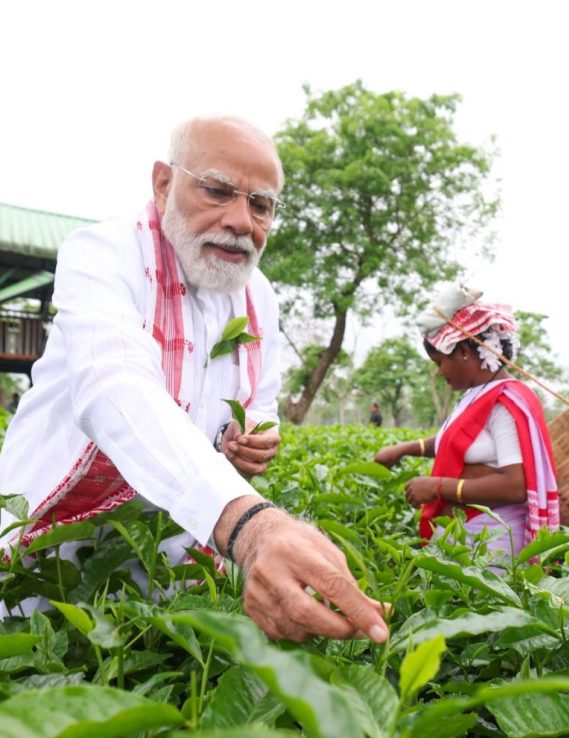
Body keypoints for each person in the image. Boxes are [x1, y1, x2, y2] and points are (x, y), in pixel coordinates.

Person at [0, 115, 388, 645]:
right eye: (217, 190)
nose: (240, 221)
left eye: (261, 204)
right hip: (54, 551)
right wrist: (251, 525)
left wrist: (254, 437)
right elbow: (115, 385)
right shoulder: (105, 254)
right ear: (163, 183)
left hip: (171, 557)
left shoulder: (260, 297)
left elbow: (261, 400)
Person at [375, 293, 559, 555]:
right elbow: (454, 440)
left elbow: (515, 487)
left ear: (462, 351)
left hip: (492, 547)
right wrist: (402, 449)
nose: (439, 372)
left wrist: (437, 486)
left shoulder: (504, 403)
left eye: (440, 362)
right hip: (468, 539)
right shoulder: (478, 394)